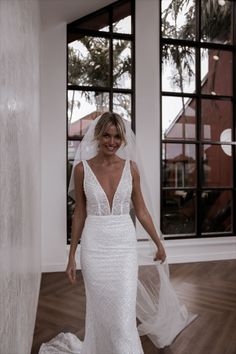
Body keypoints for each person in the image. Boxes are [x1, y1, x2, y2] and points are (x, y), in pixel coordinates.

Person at [39, 112, 196, 354]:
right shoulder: (82, 169)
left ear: (123, 139)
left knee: (123, 315)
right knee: (100, 310)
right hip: (94, 248)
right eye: (106, 136)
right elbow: (79, 213)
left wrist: (159, 242)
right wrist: (72, 256)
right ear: (98, 136)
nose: (112, 142)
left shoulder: (131, 168)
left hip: (123, 247)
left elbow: (141, 210)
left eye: (116, 137)